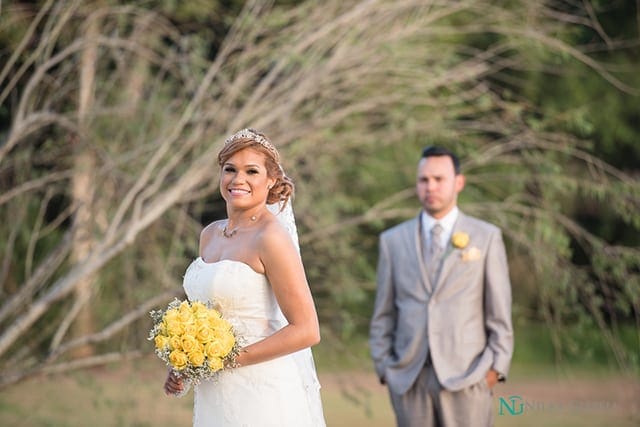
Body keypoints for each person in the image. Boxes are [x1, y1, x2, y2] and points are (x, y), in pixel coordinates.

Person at [163, 128, 326, 426]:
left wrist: (226, 359)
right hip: (214, 392)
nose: (238, 180)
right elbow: (206, 313)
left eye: (252, 171)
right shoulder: (210, 235)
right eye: (230, 170)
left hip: (262, 392)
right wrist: (185, 358)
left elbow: (307, 330)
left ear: (271, 179)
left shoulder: (271, 237)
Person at [369, 146, 513, 427]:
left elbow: (500, 313)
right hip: (409, 379)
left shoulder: (486, 237)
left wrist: (495, 368)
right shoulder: (393, 241)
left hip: (468, 377)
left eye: (439, 179)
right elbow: (383, 314)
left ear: (458, 182)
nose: (430, 187)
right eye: (424, 180)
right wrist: (385, 367)